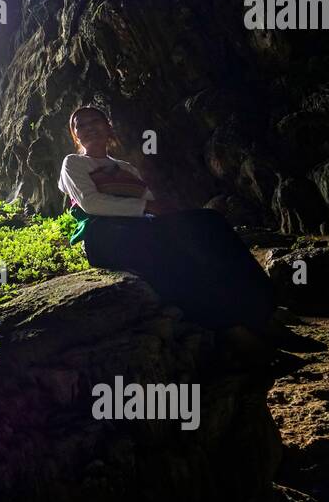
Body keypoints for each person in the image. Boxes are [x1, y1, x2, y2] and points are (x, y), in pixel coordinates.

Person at [58, 105, 276, 347]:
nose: (89, 128)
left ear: (108, 126)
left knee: (209, 222)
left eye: (95, 121)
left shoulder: (127, 168)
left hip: (139, 226)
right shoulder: (74, 163)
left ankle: (265, 311)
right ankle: (229, 327)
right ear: (75, 135)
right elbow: (91, 203)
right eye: (81, 125)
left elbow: (150, 201)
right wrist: (147, 209)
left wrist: (163, 215)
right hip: (104, 234)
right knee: (165, 253)